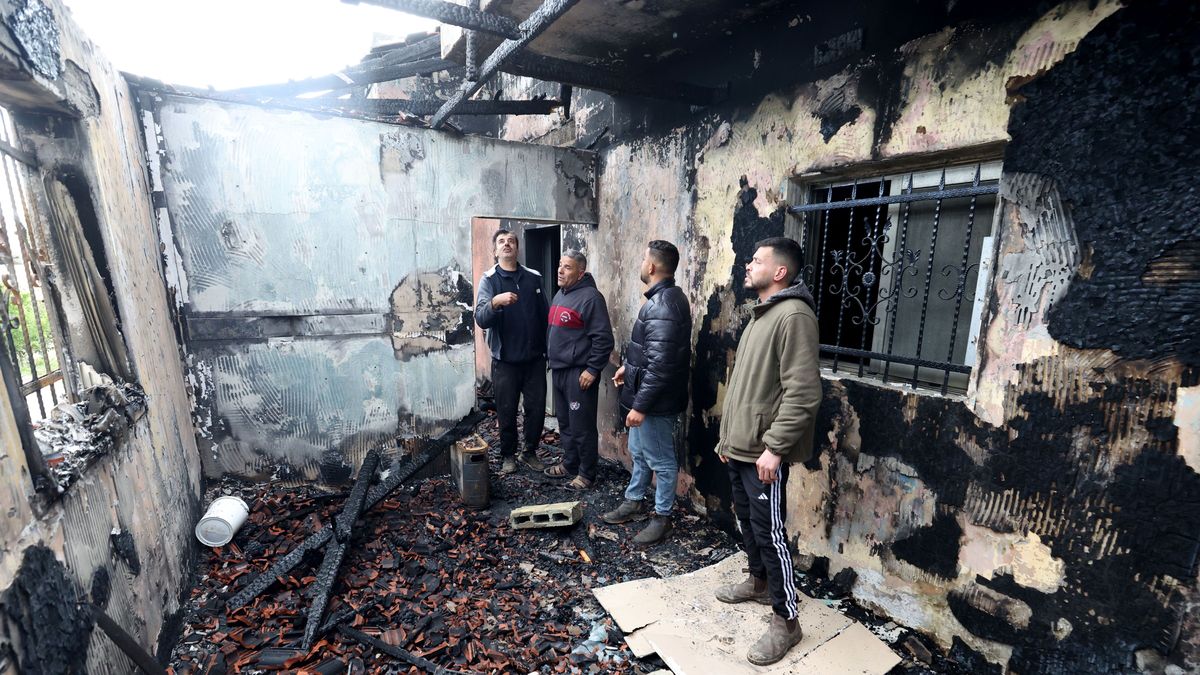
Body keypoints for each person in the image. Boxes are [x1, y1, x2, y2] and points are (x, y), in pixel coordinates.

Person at [714, 236, 821, 667]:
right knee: (748, 522)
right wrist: (726, 439)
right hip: (740, 448)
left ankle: (786, 620)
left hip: (763, 453)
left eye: (756, 260)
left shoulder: (794, 315)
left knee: (771, 533)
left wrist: (775, 449)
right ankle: (758, 584)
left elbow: (803, 392)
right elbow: (744, 388)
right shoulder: (761, 315)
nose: (747, 265)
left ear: (780, 272)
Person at [603, 241, 691, 547]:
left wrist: (640, 406)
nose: (642, 264)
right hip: (649, 396)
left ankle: (662, 518)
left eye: (643, 259)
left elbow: (662, 366)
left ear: (652, 267)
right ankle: (634, 500)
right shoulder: (662, 300)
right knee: (640, 452)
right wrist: (628, 367)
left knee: (662, 461)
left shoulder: (663, 305)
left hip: (655, 402)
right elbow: (653, 352)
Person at [474, 229, 549, 475]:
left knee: (536, 409)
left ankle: (529, 452)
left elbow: (544, 316)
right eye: (501, 242)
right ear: (495, 250)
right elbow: (481, 319)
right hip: (505, 360)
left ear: (517, 248)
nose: (507, 245)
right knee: (506, 409)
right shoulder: (489, 280)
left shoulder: (533, 278)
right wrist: (495, 302)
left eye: (511, 241)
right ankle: (508, 455)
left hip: (534, 359)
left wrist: (547, 350)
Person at [544, 250, 614, 490]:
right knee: (564, 422)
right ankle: (571, 463)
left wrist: (593, 369)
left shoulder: (591, 298)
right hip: (559, 371)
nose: (560, 271)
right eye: (560, 265)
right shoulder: (560, 295)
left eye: (568, 267)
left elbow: (604, 339)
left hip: (579, 374)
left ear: (580, 272)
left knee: (581, 426)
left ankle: (586, 474)